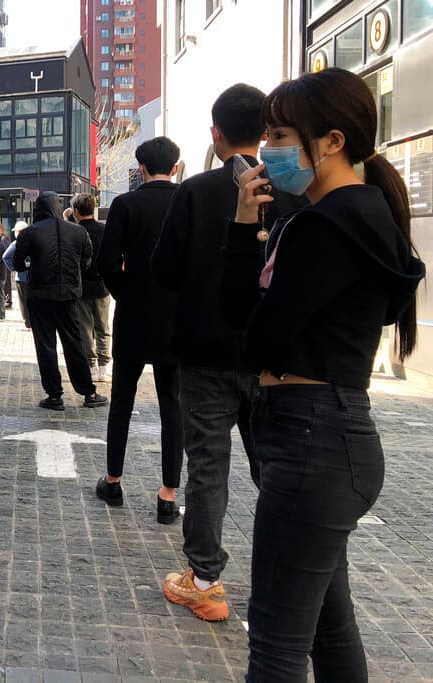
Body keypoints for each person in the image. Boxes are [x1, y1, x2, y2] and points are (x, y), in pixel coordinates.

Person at [223, 68, 424, 682]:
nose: (269, 150)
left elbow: (254, 337)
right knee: (330, 633)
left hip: (311, 442)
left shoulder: (326, 226)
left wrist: (240, 236)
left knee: (277, 647)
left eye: (282, 134)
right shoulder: (353, 217)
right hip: (330, 440)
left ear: (331, 142)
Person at [152, 84, 304, 621]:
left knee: (208, 465)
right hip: (269, 358)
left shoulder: (193, 193)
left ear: (214, 134)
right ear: (266, 133)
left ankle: (205, 581)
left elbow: (165, 272)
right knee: (274, 467)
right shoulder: (294, 193)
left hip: (204, 352)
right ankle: (289, 579)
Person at [95, 137, 183, 524]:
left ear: (141, 169)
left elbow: (107, 261)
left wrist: (125, 293)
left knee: (122, 402)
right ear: (176, 167)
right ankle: (168, 494)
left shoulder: (125, 205)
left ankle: (113, 480)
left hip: (132, 316)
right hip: (175, 318)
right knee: (172, 405)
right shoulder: (187, 199)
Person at [13, 191, 108, 410]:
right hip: (68, 296)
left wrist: (31, 266)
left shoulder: (29, 233)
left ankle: (54, 396)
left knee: (46, 346)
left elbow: (18, 263)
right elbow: (86, 259)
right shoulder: (78, 231)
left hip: (39, 296)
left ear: (39, 208)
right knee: (74, 343)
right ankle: (89, 392)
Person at [71, 193, 112, 380]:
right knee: (103, 326)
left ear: (76, 211)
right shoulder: (105, 230)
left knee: (85, 328)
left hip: (82, 287)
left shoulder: (75, 232)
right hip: (103, 285)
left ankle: (91, 365)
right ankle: (105, 365)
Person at [2, 221, 30, 328]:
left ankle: (27, 323)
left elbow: (6, 257)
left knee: (23, 301)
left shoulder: (17, 243)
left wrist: (14, 268)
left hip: (22, 277)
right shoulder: (34, 242)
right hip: (33, 277)